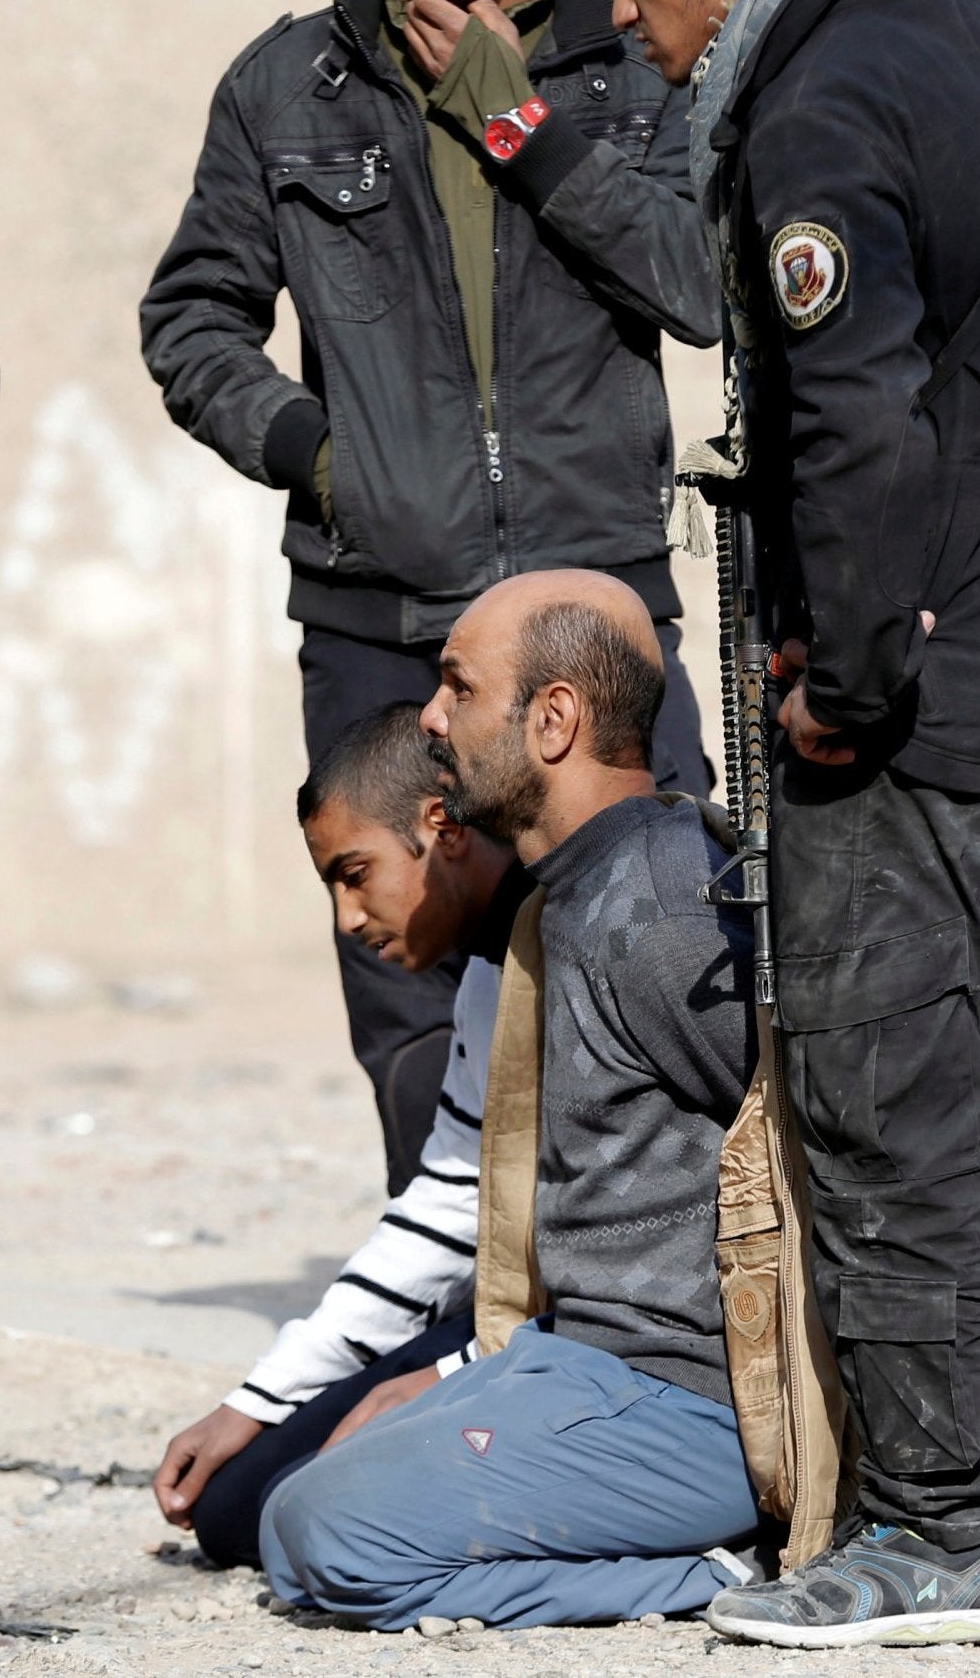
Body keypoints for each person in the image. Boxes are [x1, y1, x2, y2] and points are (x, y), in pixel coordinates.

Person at [543, 0, 980, 1646]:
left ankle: (939, 1527)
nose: (621, 12)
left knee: (892, 1112)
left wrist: (842, 688)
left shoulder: (814, 100)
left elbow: (851, 430)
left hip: (908, 708)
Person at [140, 0, 720, 1198]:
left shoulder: (634, 58)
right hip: (377, 613)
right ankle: (448, 1332)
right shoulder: (290, 82)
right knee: (406, 996)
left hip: (591, 616)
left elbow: (696, 283)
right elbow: (189, 321)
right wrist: (325, 461)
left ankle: (646, 1320)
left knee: (658, 957)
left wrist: (515, 123)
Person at [254, 572, 760, 1628]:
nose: (433, 719)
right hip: (578, 1357)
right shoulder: (568, 895)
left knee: (328, 1533)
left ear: (552, 717)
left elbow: (799, 1133)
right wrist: (465, 1366)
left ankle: (720, 1569)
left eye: (456, 687)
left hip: (680, 1397)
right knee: (282, 1495)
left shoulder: (658, 900)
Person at [152, 702, 528, 1570]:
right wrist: (257, 1400)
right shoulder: (484, 974)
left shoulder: (573, 942)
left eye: (356, 873)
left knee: (316, 1520)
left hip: (621, 1349)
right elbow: (443, 1207)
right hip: (525, 1327)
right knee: (239, 1502)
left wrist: (444, 1376)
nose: (348, 917)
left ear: (441, 825)